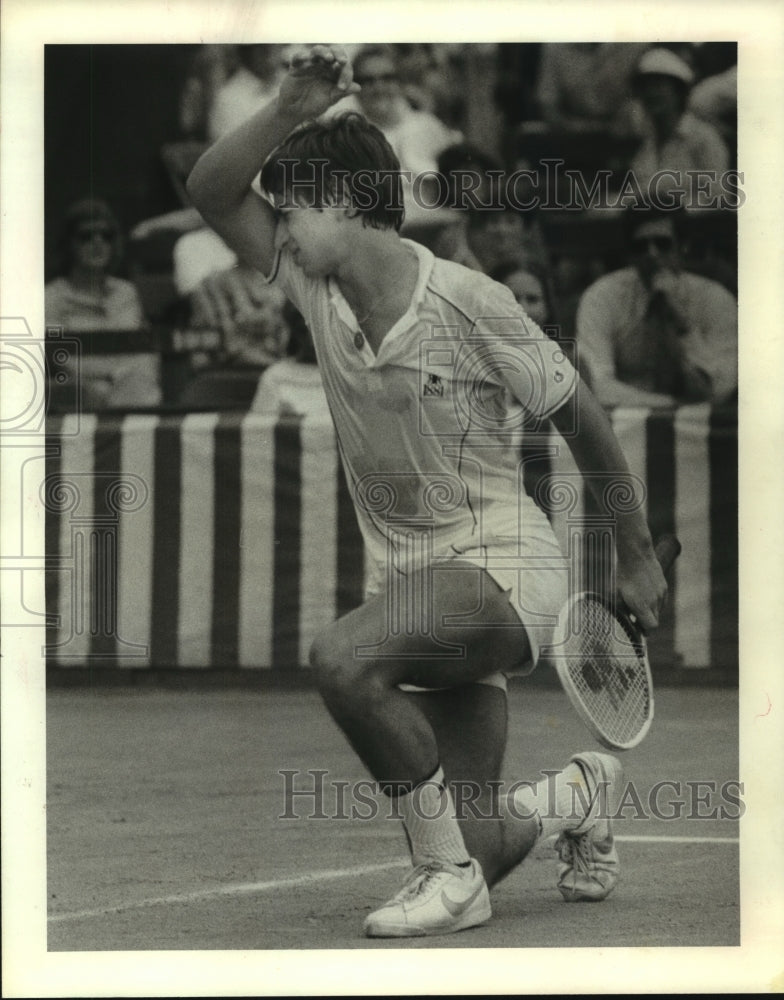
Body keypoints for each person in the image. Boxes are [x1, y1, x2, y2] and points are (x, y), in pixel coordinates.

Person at [187, 45, 667, 938]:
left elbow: (583, 419)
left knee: (342, 660)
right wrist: (291, 107)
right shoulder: (311, 285)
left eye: (289, 207)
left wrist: (634, 554)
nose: (276, 229)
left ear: (345, 203)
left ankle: (447, 879)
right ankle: (576, 794)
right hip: (409, 579)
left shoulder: (472, 301)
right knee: (483, 833)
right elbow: (212, 191)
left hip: (503, 570)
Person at [575, 202, 738, 407]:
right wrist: (671, 406)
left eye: (662, 244)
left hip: (697, 426)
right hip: (627, 421)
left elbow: (720, 388)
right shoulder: (603, 297)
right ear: (630, 255)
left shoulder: (715, 300)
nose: (652, 254)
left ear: (683, 247)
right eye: (640, 246)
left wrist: (682, 326)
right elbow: (596, 384)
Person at [45, 197, 161, 410]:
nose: (98, 242)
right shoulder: (51, 297)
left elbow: (144, 349)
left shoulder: (126, 292)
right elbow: (58, 358)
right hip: (81, 396)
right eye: (86, 236)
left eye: (106, 236)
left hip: (132, 387)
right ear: (68, 244)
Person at [629, 47, 730, 203]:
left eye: (659, 86)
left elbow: (719, 198)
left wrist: (678, 211)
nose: (651, 94)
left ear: (678, 92)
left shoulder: (704, 138)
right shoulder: (644, 143)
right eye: (645, 87)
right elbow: (637, 195)